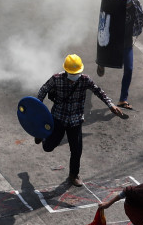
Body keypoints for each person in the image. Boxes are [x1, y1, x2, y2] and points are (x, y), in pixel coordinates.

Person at [36, 55, 123, 187]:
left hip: (76, 120)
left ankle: (74, 174)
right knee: (48, 147)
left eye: (77, 73)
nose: (74, 76)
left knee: (76, 150)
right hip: (59, 118)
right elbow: (42, 91)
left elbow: (99, 91)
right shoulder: (56, 79)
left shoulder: (85, 80)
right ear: (66, 71)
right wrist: (37, 109)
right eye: (72, 73)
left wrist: (110, 105)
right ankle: (42, 136)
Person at [114, 0, 143, 109]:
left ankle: (123, 99)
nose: (128, 0)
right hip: (114, 41)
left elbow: (140, 14)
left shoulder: (135, 3)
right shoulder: (113, 6)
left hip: (127, 42)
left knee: (128, 69)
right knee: (107, 60)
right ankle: (101, 63)